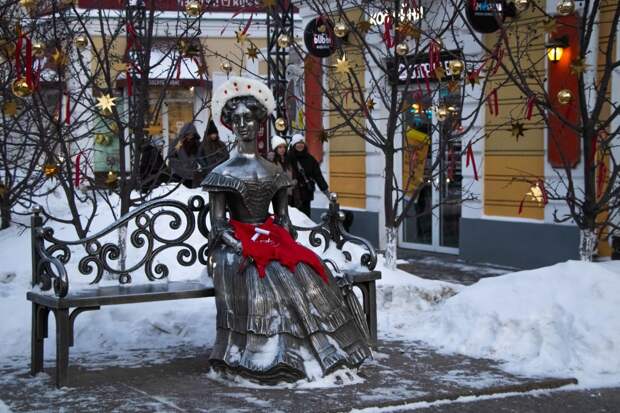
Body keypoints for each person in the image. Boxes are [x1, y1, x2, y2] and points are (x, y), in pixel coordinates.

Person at [202, 77, 371, 384]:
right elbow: (218, 225)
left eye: (249, 118)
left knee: (307, 270)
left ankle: (319, 351)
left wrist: (279, 239)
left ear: (259, 123)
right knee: (263, 277)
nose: (243, 125)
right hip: (234, 248)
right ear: (230, 125)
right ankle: (266, 355)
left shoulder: (274, 171)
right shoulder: (222, 173)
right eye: (237, 120)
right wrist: (241, 245)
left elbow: (283, 220)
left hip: (268, 239)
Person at [288, 133, 329, 217]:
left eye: (302, 143)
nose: (300, 145)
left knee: (305, 217)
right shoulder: (288, 158)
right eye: (298, 143)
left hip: (305, 195)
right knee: (292, 217)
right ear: (293, 145)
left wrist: (325, 190)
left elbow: (318, 176)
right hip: (291, 194)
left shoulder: (310, 159)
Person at [168, 123, 203, 188]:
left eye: (192, 134)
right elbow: (170, 156)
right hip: (178, 173)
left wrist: (199, 166)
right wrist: (179, 164)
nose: (190, 136)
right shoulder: (177, 142)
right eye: (188, 134)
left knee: (188, 192)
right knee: (178, 191)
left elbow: (200, 157)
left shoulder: (196, 144)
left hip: (190, 174)